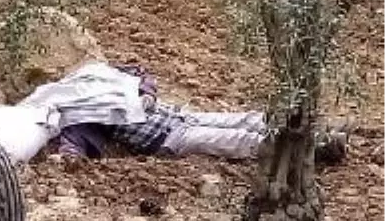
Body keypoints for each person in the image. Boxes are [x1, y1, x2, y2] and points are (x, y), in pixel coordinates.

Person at [56, 64, 347, 164]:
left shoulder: (104, 80)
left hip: (182, 116)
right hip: (170, 139)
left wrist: (146, 93)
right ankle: (312, 148)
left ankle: (315, 130)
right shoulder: (81, 114)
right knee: (236, 140)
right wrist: (69, 156)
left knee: (247, 118)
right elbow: (74, 142)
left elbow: (137, 72)